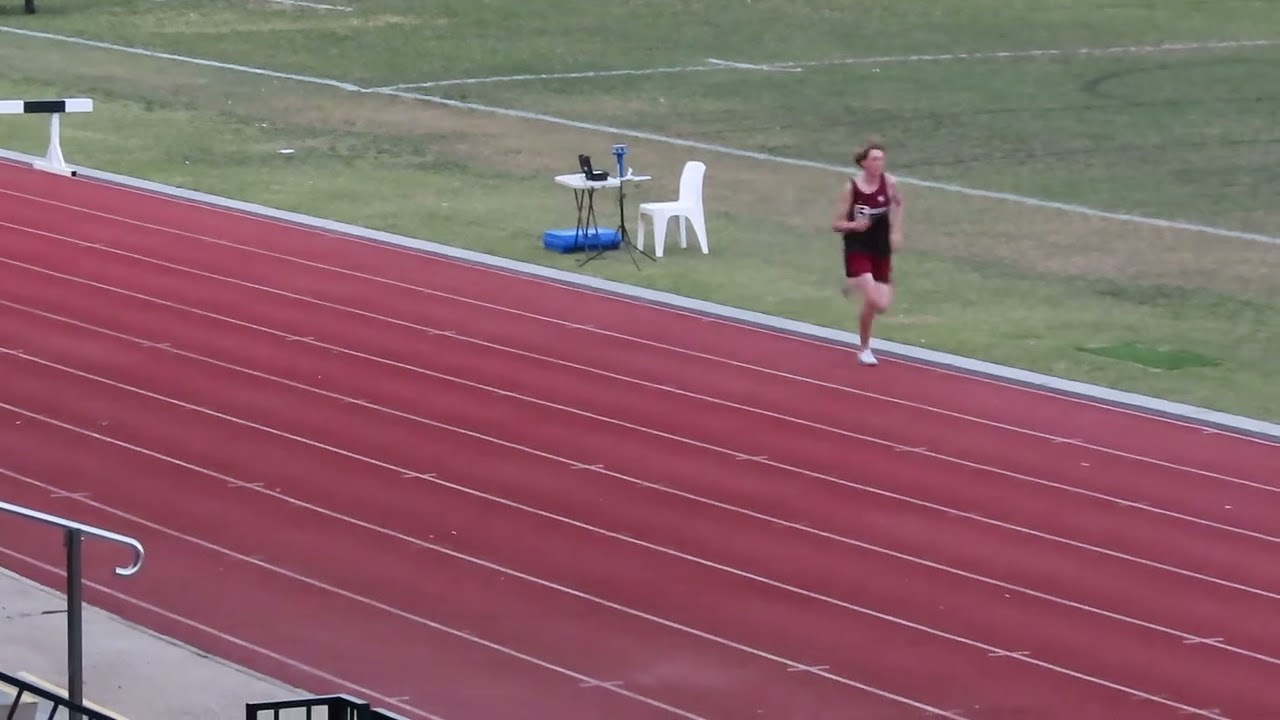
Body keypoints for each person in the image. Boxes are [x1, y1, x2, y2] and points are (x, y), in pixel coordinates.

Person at [831, 139, 904, 366]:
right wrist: (853, 226)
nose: (879, 163)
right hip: (858, 246)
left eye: (882, 158)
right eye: (874, 159)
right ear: (863, 163)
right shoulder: (851, 187)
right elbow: (836, 223)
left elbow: (899, 204)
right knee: (873, 299)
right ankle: (864, 348)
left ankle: (854, 283)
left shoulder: (889, 182)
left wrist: (896, 231)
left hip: (880, 247)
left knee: (880, 306)